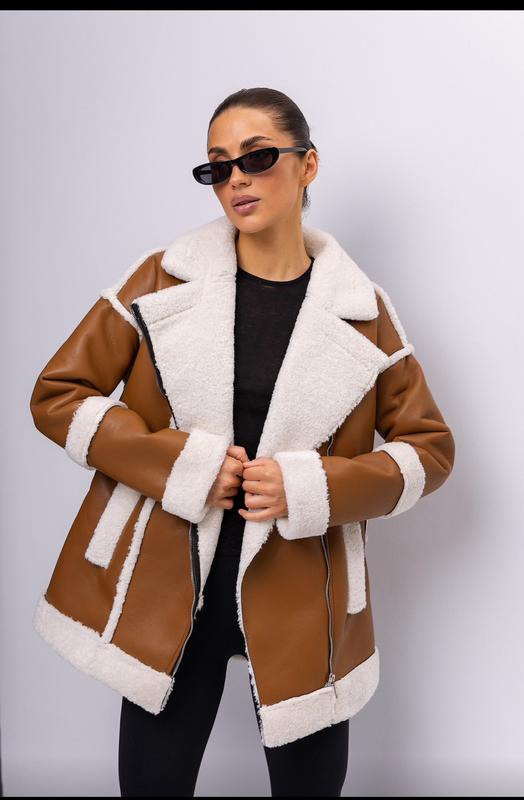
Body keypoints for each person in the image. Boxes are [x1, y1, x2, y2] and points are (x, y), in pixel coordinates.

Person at [30, 86, 455, 797]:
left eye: (257, 158)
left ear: (307, 164)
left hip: (304, 595)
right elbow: (58, 394)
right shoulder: (161, 278)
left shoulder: (363, 310)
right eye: (218, 166)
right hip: (170, 588)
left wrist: (312, 487)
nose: (236, 179)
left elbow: (429, 450)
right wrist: (178, 464)